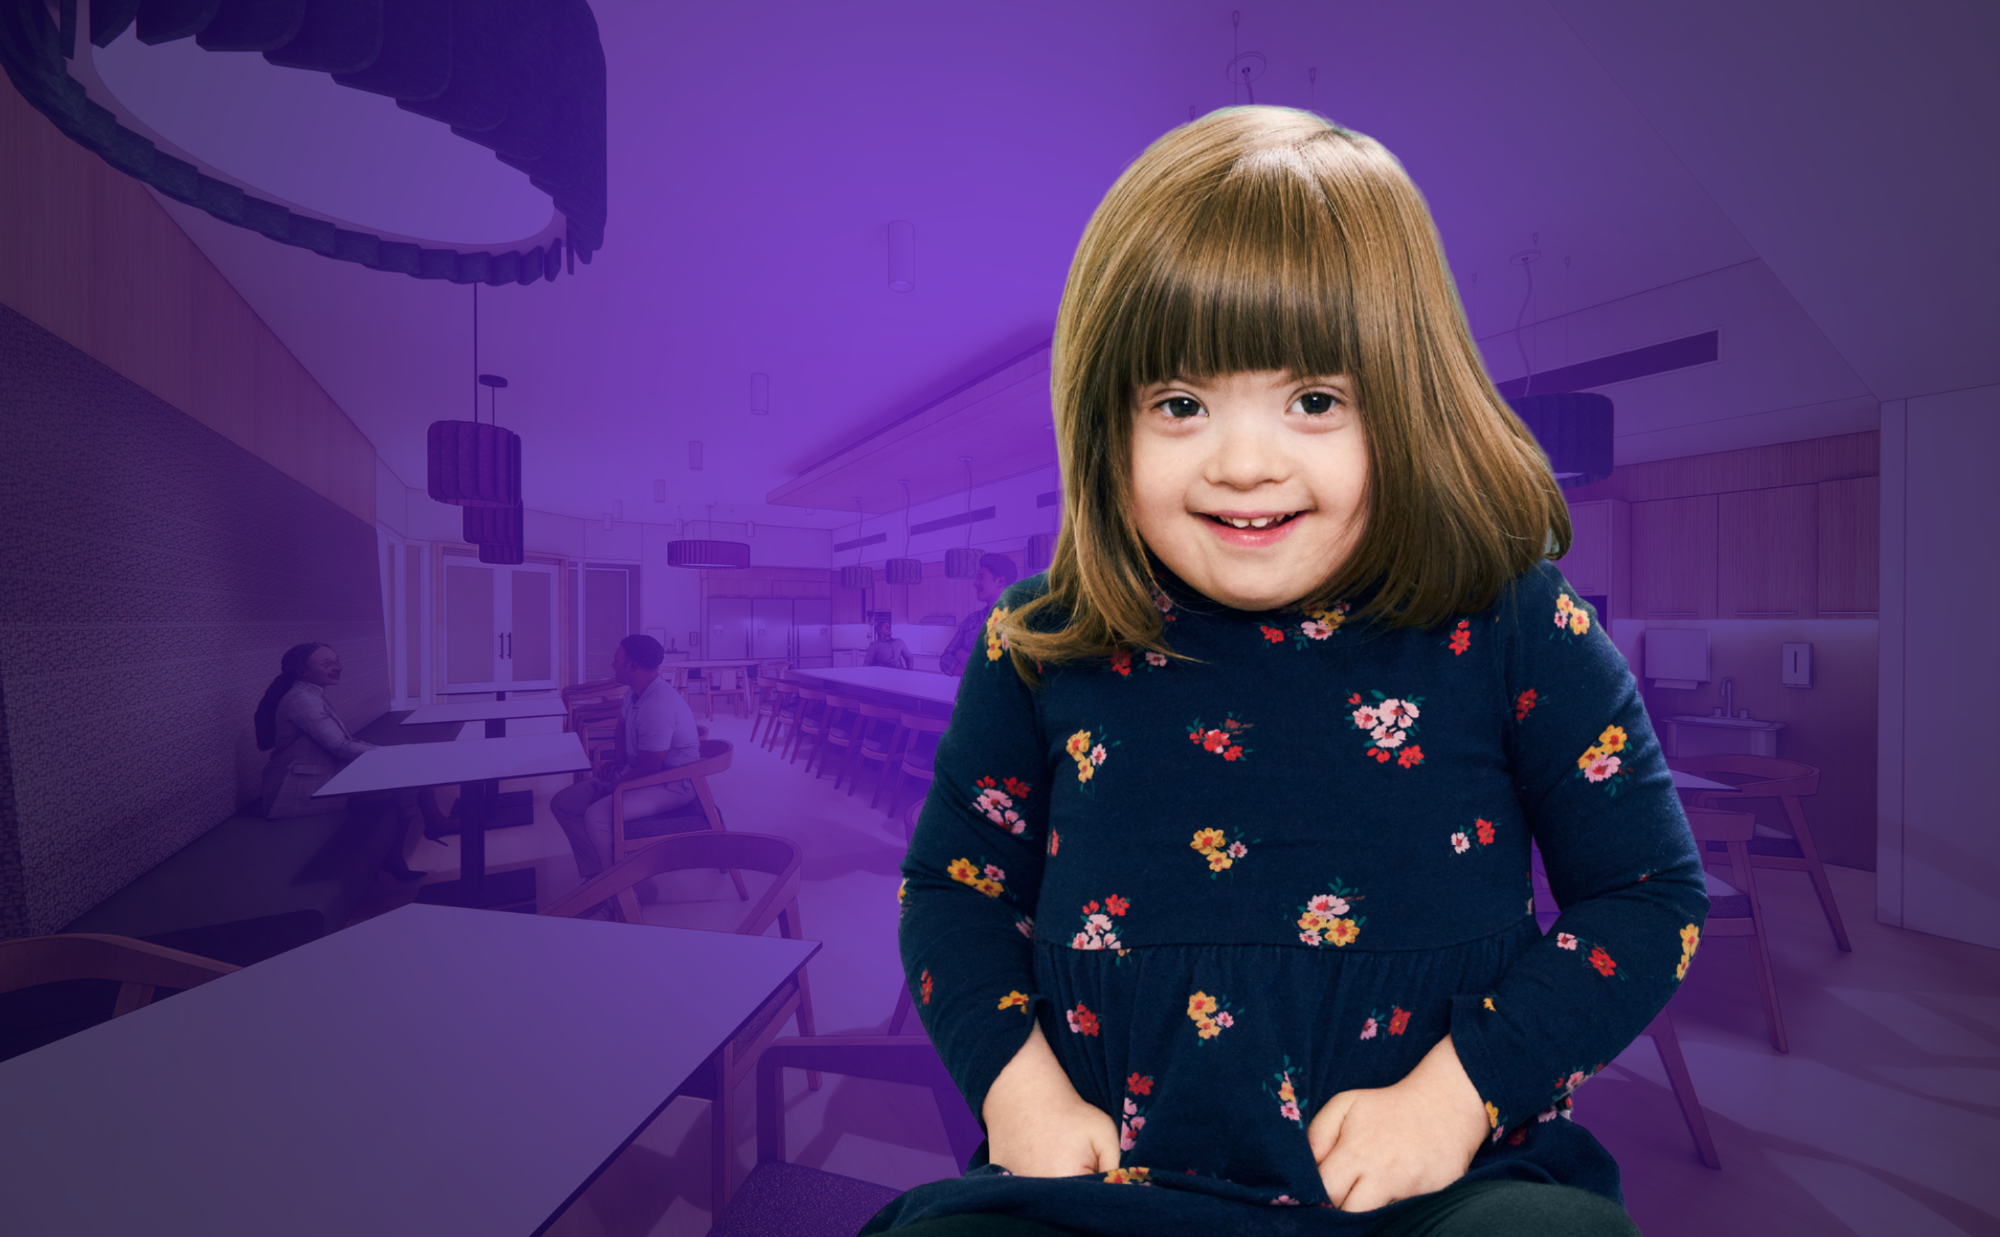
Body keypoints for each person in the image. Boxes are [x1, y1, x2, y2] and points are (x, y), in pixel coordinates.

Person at [873, 108, 1704, 1237]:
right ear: (1103, 423)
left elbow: (1646, 898)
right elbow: (950, 892)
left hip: (1441, 1187)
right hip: (1108, 1189)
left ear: (1405, 406)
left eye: (1313, 400)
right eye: (1179, 404)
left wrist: (1453, 1098)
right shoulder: (1037, 640)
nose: (1244, 462)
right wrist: (1017, 1090)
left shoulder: (1513, 619)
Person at [255, 642, 444, 882]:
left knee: (410, 770)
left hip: (319, 774)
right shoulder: (302, 700)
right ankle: (404, 850)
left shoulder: (309, 694)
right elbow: (340, 746)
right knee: (407, 776)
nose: (337, 667)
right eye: (327, 664)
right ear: (302, 671)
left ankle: (428, 830)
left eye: (336, 661)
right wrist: (391, 755)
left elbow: (343, 742)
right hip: (299, 789)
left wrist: (389, 754)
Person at [550, 634, 703, 913]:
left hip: (671, 785)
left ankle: (618, 895)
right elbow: (621, 724)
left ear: (632, 666)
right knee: (563, 804)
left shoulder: (658, 705)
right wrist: (619, 761)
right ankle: (598, 876)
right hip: (642, 772)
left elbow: (650, 769)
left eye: (617, 660)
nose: (612, 664)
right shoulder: (635, 693)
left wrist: (613, 787)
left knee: (596, 815)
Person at [938, 554, 1018, 676]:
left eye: (981, 578)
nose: (975, 583)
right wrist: (970, 674)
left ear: (1000, 581)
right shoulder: (972, 620)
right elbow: (945, 658)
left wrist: (960, 653)